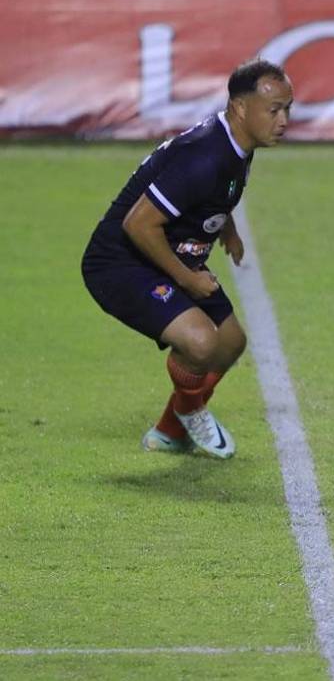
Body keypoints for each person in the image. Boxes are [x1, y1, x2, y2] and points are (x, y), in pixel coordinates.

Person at [81, 59, 294, 459]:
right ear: (240, 108)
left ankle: (168, 433)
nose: (284, 119)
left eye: (288, 108)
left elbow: (208, 193)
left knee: (230, 342)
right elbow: (138, 224)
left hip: (167, 250)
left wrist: (226, 227)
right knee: (200, 343)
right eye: (274, 110)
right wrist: (188, 278)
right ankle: (190, 410)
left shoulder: (236, 143)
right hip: (120, 262)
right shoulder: (203, 155)